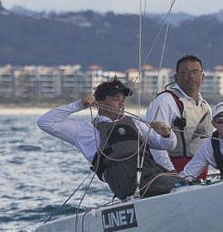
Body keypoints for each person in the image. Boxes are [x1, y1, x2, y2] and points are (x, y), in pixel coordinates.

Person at [37, 78, 179, 199]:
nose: (121, 103)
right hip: (123, 181)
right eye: (116, 99)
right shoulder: (85, 132)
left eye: (123, 100)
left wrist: (166, 133)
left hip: (151, 174)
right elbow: (45, 122)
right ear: (99, 102)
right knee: (179, 187)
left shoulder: (135, 124)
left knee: (184, 184)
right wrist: (79, 105)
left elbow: (168, 145)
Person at [146, 55, 211, 179]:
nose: (191, 76)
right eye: (184, 72)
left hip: (200, 178)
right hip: (171, 175)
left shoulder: (206, 106)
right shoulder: (165, 101)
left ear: (202, 77)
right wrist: (170, 171)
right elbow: (155, 142)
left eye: (195, 72)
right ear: (176, 77)